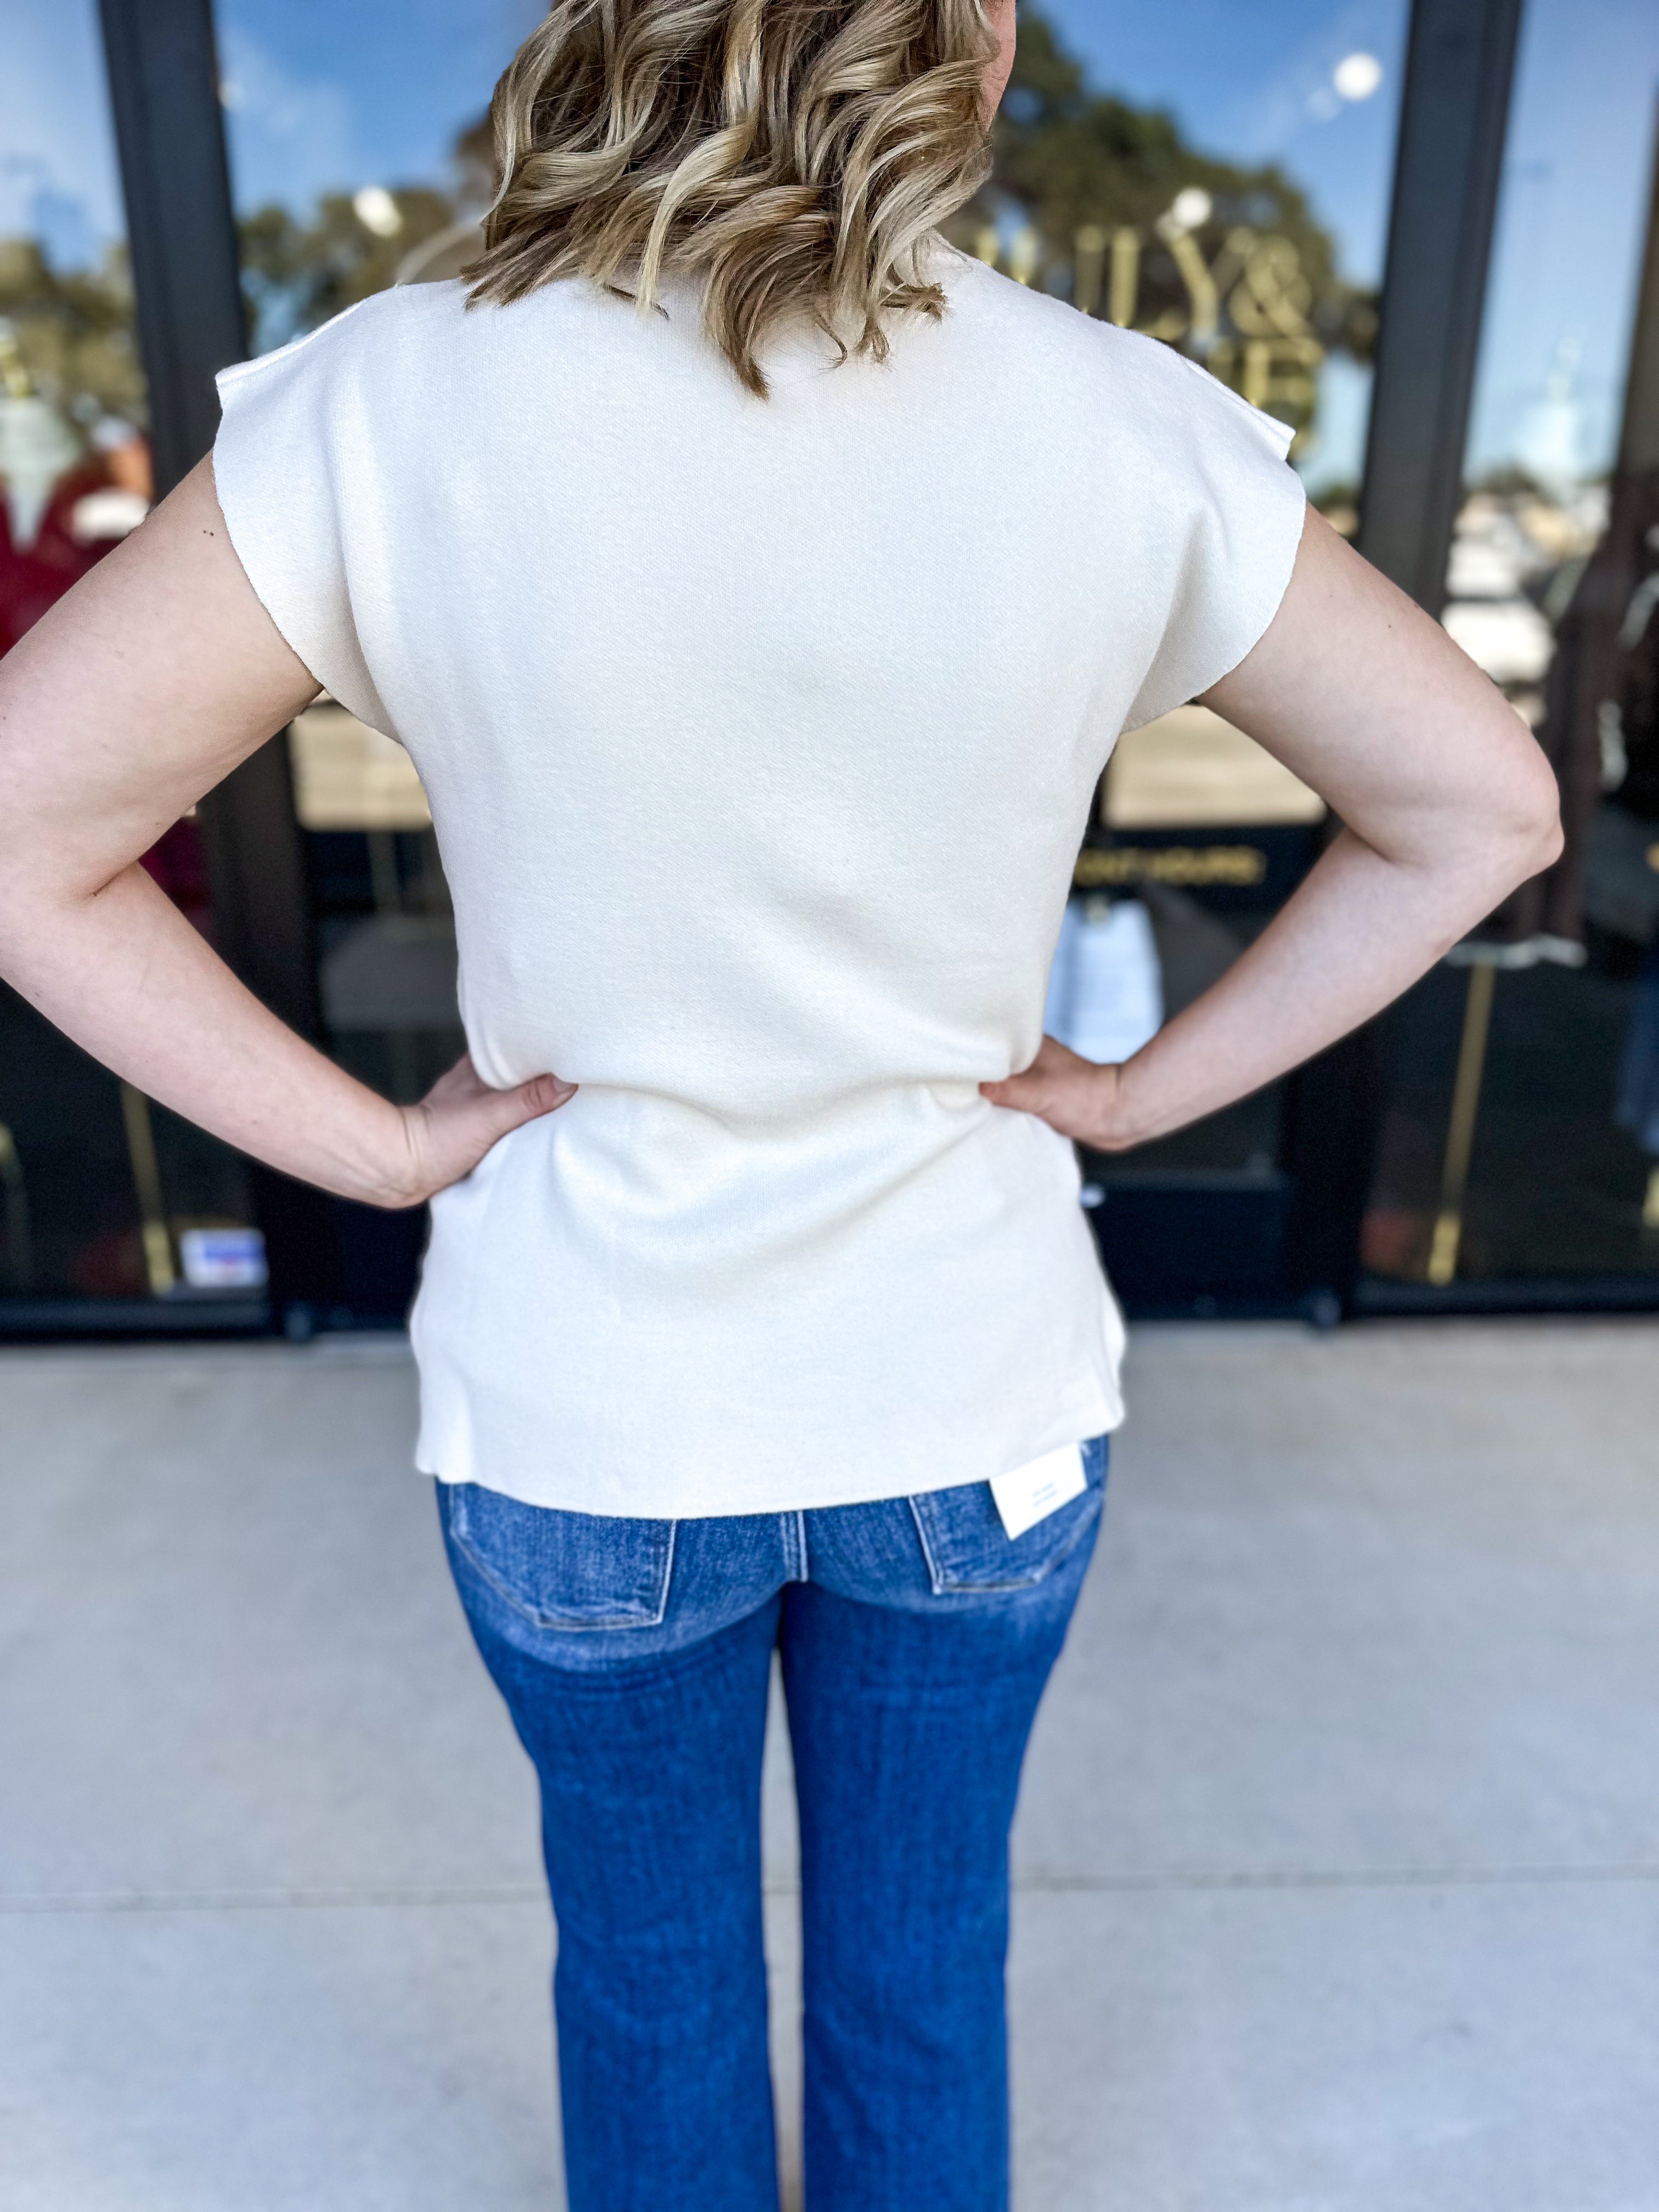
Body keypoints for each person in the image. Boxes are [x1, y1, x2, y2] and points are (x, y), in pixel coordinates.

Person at [0, 0, 1561, 2202]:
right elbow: (1486, 807)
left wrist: (376, 1152)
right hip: (976, 1399)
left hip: (590, 1410)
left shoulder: (398, 391)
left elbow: (16, 826)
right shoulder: (1119, 417)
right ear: (976, 45)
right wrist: (1132, 1104)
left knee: (647, 1975)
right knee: (923, 1968)